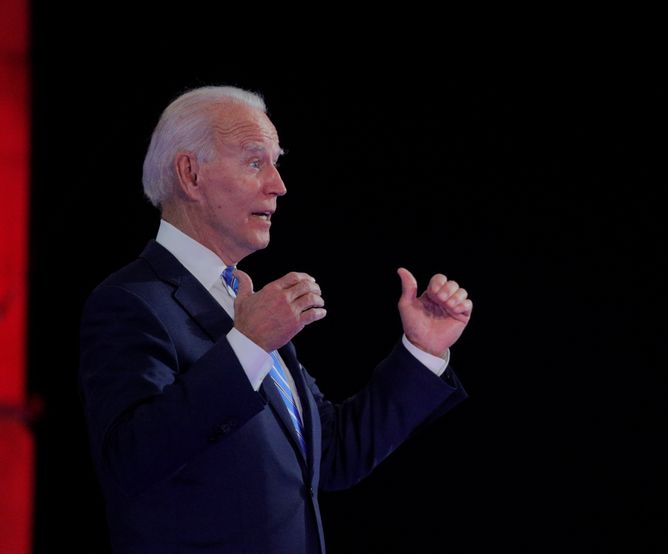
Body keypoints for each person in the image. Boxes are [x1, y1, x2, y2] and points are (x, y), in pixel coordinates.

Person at [79, 85, 472, 553]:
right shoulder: (131, 303)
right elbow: (130, 461)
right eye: (254, 162)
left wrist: (421, 352)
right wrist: (246, 345)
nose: (278, 185)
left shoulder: (244, 300)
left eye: (276, 162)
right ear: (190, 174)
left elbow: (331, 455)